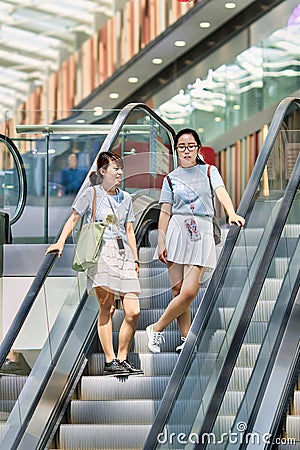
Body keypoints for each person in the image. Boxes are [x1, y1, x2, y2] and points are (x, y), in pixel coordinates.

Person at [146, 128, 245, 354]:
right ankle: (186, 340)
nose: (186, 150)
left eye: (191, 146)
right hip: (176, 231)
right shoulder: (171, 179)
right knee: (178, 290)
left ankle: (156, 327)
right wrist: (161, 241)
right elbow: (164, 212)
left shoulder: (210, 171)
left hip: (200, 232)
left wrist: (231, 212)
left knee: (190, 291)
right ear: (176, 151)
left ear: (198, 148)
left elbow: (221, 191)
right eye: (182, 147)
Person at [46, 151, 143, 376]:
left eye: (120, 168)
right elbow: (74, 218)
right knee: (107, 307)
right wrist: (60, 242)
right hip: (100, 253)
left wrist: (135, 257)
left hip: (123, 255)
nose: (119, 172)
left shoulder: (127, 198)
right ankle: (111, 361)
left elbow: (129, 230)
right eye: (114, 168)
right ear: (102, 171)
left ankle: (122, 357)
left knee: (133, 310)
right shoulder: (91, 194)